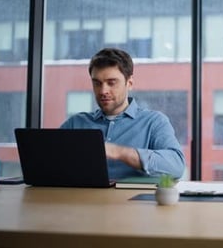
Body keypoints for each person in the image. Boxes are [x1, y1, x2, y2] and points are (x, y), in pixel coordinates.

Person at [60, 48, 185, 179]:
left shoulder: (154, 122)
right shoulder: (75, 124)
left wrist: (117, 152)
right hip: (78, 199)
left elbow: (176, 166)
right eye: (97, 83)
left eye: (111, 83)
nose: (103, 90)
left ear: (129, 83)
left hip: (131, 199)